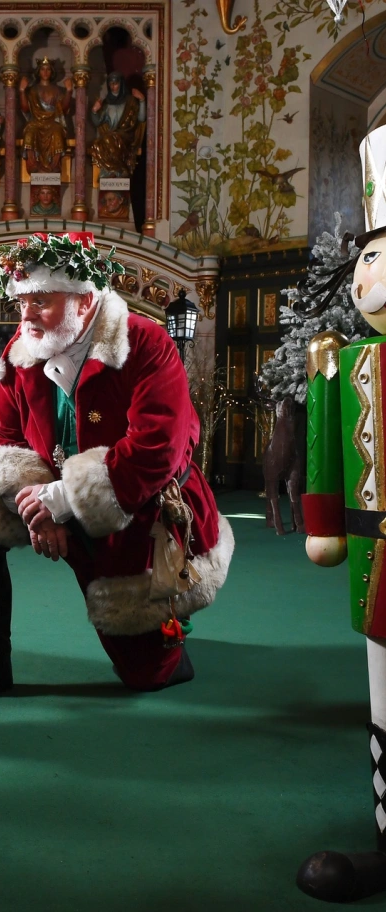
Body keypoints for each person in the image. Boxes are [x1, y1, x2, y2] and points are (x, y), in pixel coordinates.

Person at [0, 231, 234, 705]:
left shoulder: (145, 343)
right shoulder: (24, 349)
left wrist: (62, 501)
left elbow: (156, 451)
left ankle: (170, 627)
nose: (25, 315)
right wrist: (33, 503)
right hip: (46, 498)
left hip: (137, 507)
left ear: (84, 301)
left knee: (149, 674)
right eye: (22, 301)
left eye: (41, 300)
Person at [296, 124, 386, 903]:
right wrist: (323, 521)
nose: (376, 277)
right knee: (383, 691)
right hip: (375, 555)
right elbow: (325, 442)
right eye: (370, 259)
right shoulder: (344, 360)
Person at [20, 58, 72, 174]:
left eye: (48, 69)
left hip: (52, 122)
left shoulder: (57, 90)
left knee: (57, 131)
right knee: (30, 131)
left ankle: (54, 165)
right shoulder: (32, 90)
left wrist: (69, 91)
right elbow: (25, 109)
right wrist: (22, 91)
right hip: (36, 122)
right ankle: (33, 164)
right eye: (42, 69)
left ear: (52, 72)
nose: (45, 72)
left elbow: (63, 109)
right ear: (38, 71)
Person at [89, 72, 145, 178]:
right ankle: (112, 170)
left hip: (126, 135)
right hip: (111, 135)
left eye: (116, 83)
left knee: (109, 139)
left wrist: (141, 100)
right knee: (96, 145)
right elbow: (97, 122)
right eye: (111, 83)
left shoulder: (130, 101)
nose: (113, 86)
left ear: (121, 84)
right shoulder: (106, 103)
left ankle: (117, 169)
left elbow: (141, 118)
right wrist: (94, 110)